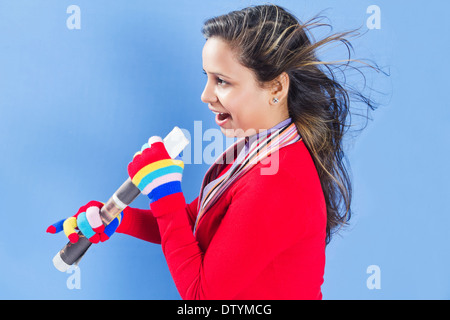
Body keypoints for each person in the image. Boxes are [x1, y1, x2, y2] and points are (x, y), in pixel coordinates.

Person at [47, 4, 380, 299]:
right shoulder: (257, 151)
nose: (205, 95)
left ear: (276, 88)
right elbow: (194, 227)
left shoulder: (280, 179)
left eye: (222, 81)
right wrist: (119, 219)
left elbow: (202, 294)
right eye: (207, 77)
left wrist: (164, 192)